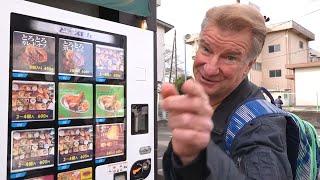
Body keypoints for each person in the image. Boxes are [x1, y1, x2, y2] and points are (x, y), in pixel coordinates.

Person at [161, 4, 293, 180]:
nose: (209, 69)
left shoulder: (260, 129)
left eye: (230, 57)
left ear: (248, 66)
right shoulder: (201, 103)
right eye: (206, 49)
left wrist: (199, 156)